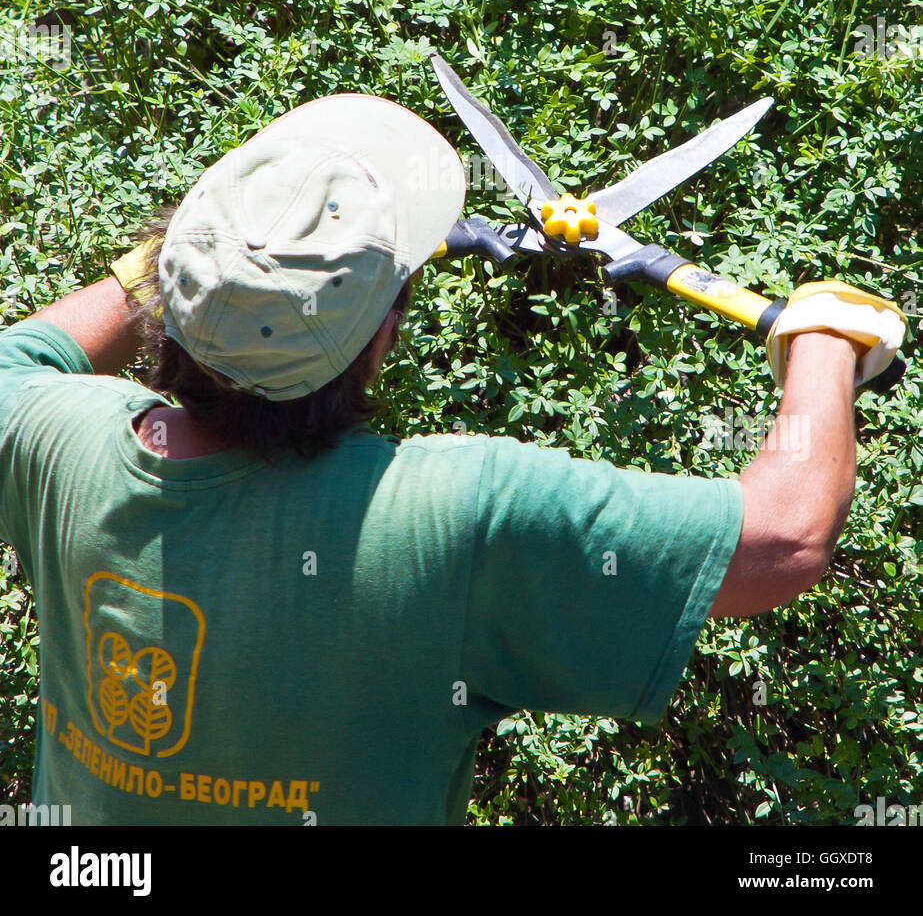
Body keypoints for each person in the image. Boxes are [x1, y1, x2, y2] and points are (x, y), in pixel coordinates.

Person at [0, 92, 905, 825]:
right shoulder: (448, 511)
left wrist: (200, 261)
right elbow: (783, 537)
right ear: (379, 339)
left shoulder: (61, 445)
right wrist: (821, 344)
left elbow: (23, 355)